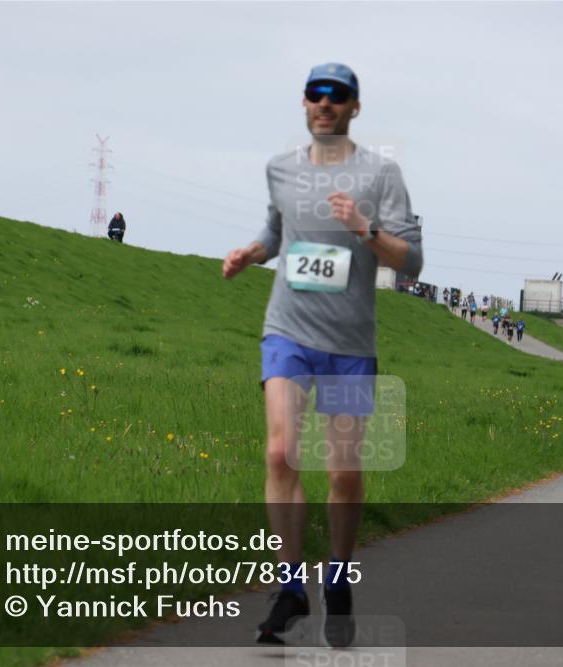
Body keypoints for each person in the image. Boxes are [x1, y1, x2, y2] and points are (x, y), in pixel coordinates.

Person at [222, 63, 423, 648]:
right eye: (317, 94)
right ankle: (290, 587)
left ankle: (337, 576)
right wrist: (250, 253)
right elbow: (276, 234)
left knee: (343, 471)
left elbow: (410, 261)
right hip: (287, 333)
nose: (326, 103)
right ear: (305, 104)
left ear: (354, 107)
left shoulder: (381, 174)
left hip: (350, 347)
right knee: (281, 453)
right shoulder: (280, 169)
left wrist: (364, 229)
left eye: (338, 96)